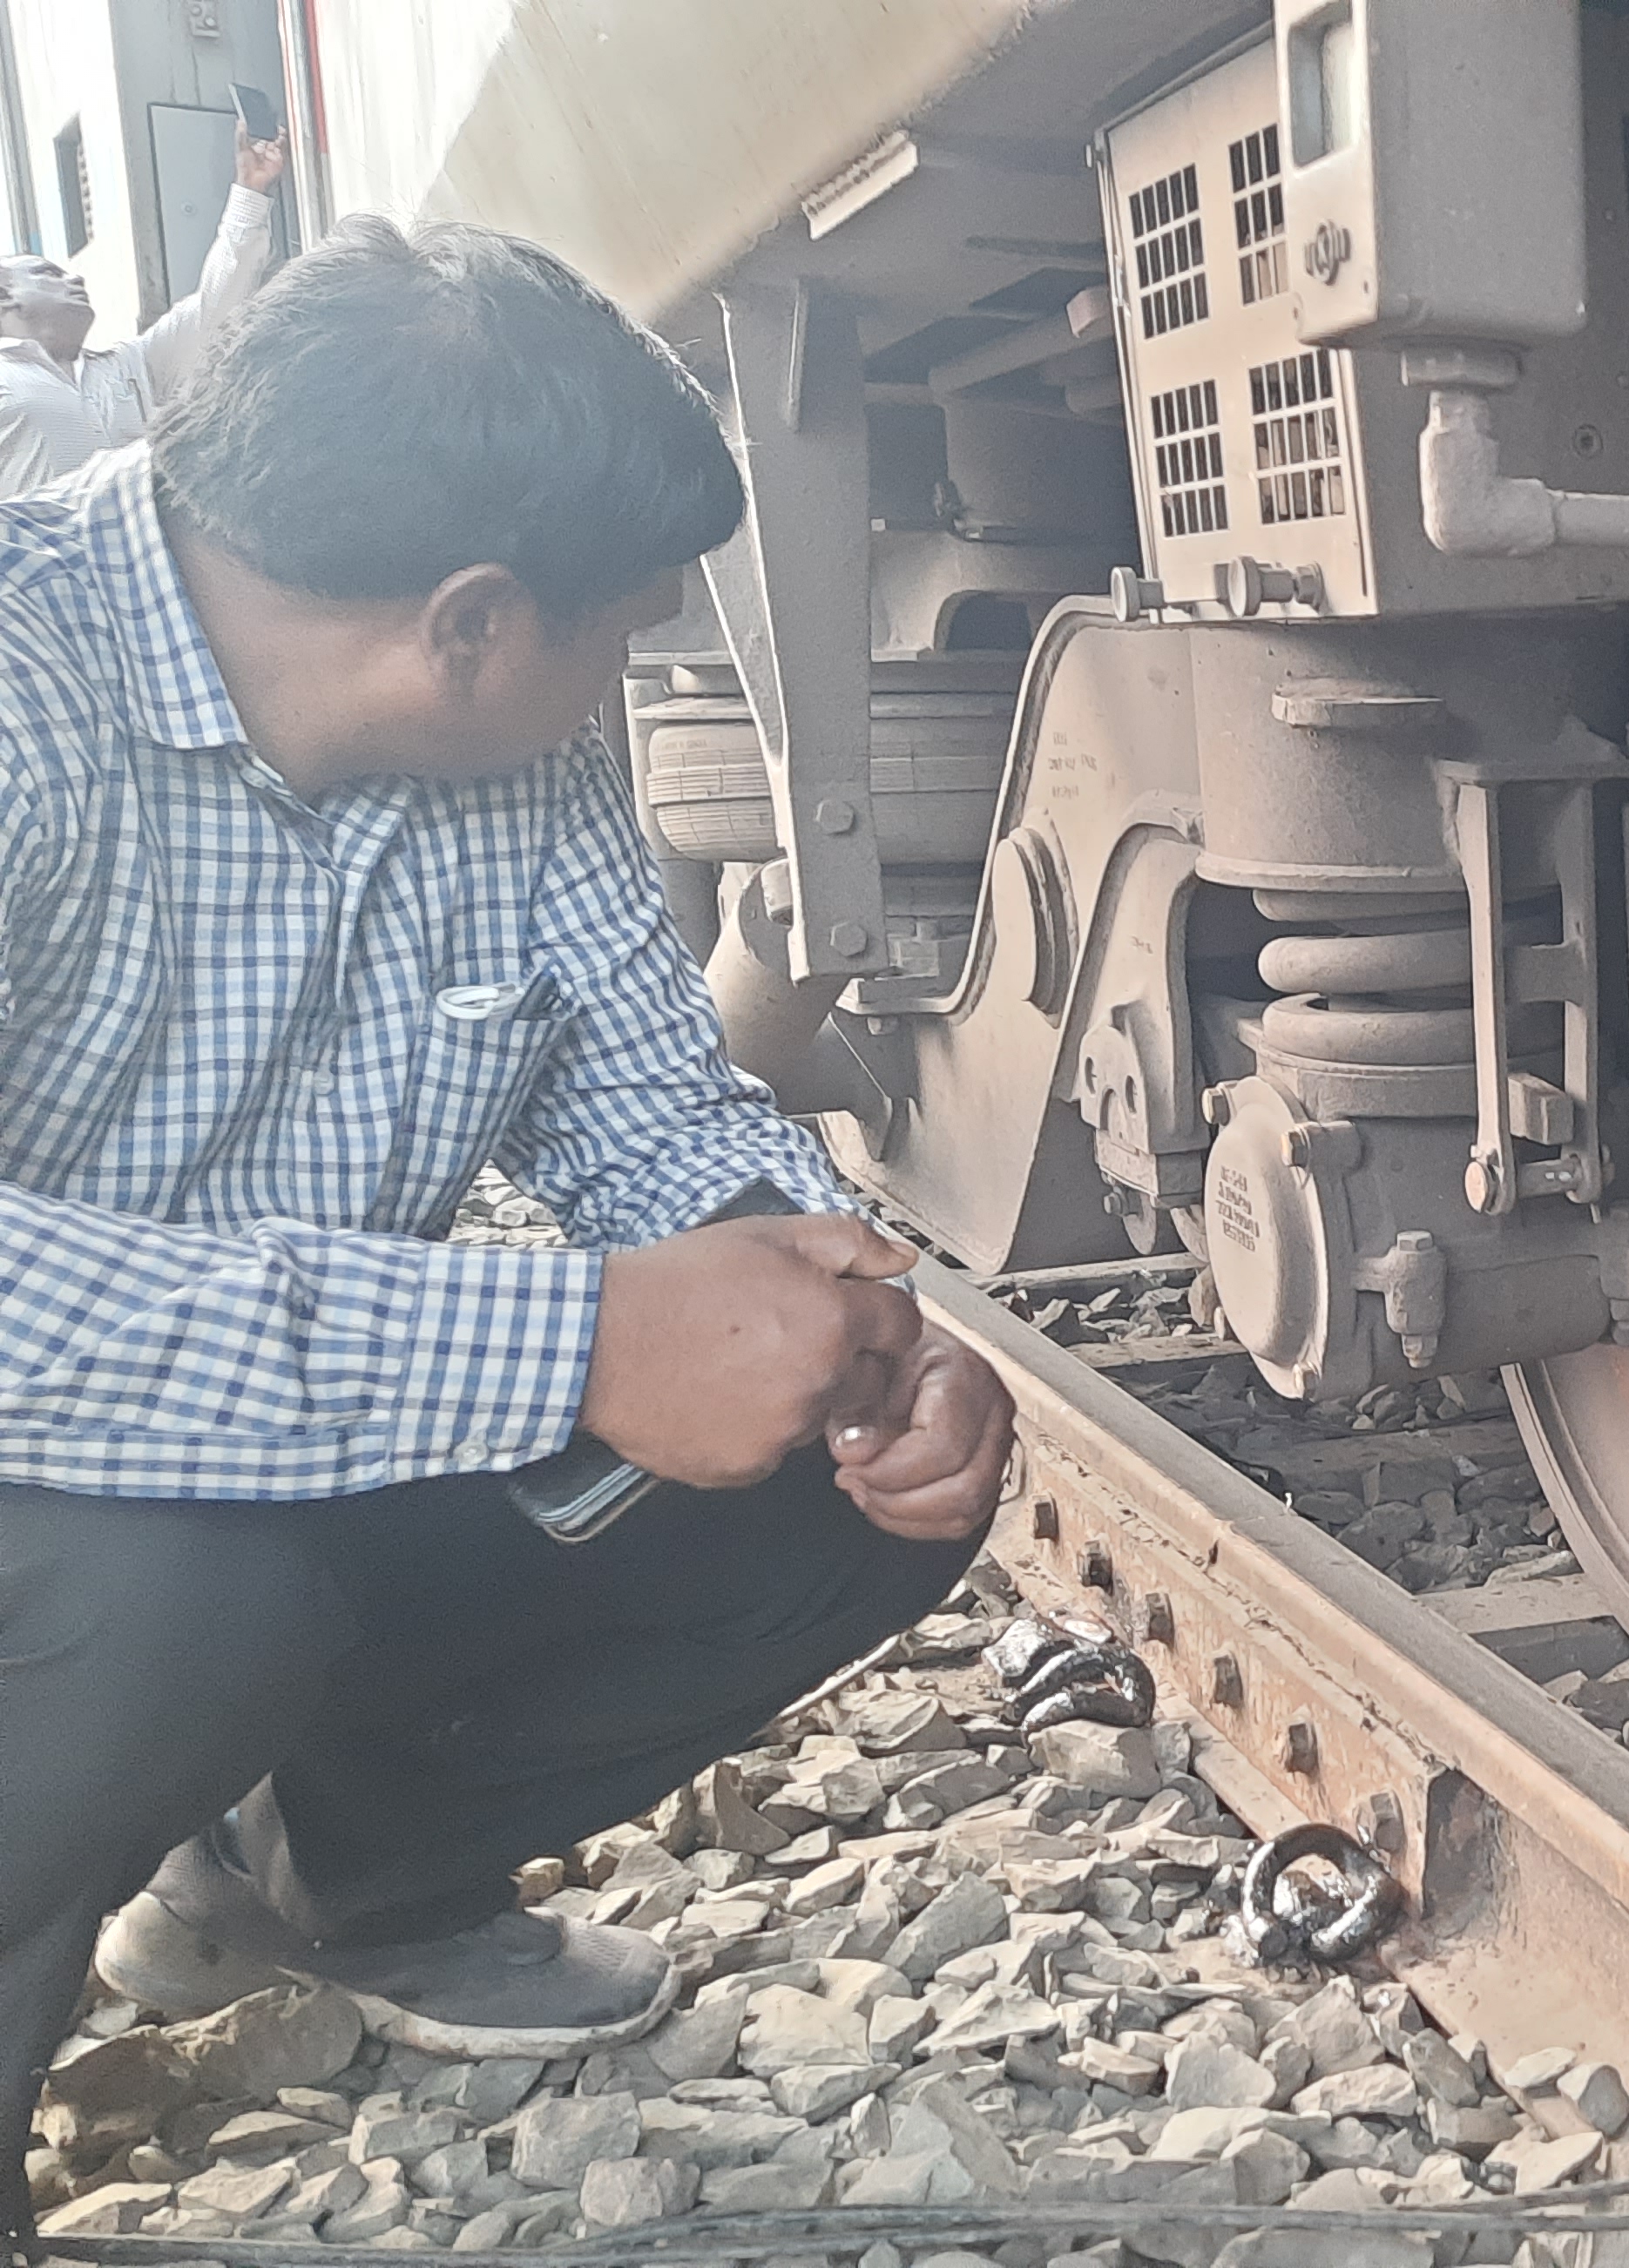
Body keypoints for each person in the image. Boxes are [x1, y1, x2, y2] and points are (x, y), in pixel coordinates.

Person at [0, 216, 1012, 2239]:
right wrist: (574, 1348)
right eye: (620, 634)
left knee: (823, 1464)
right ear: (471, 620)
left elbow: (646, 1096)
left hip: (254, 1447)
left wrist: (844, 1309)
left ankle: (334, 1885)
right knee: (189, 1604)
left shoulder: (503, 744)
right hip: (64, 1501)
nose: (620, 682)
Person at [0, 127, 287, 496]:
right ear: (5, 296)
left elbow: (216, 305)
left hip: (148, 551)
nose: (74, 278)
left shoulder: (129, 366)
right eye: (48, 274)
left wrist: (250, 191)